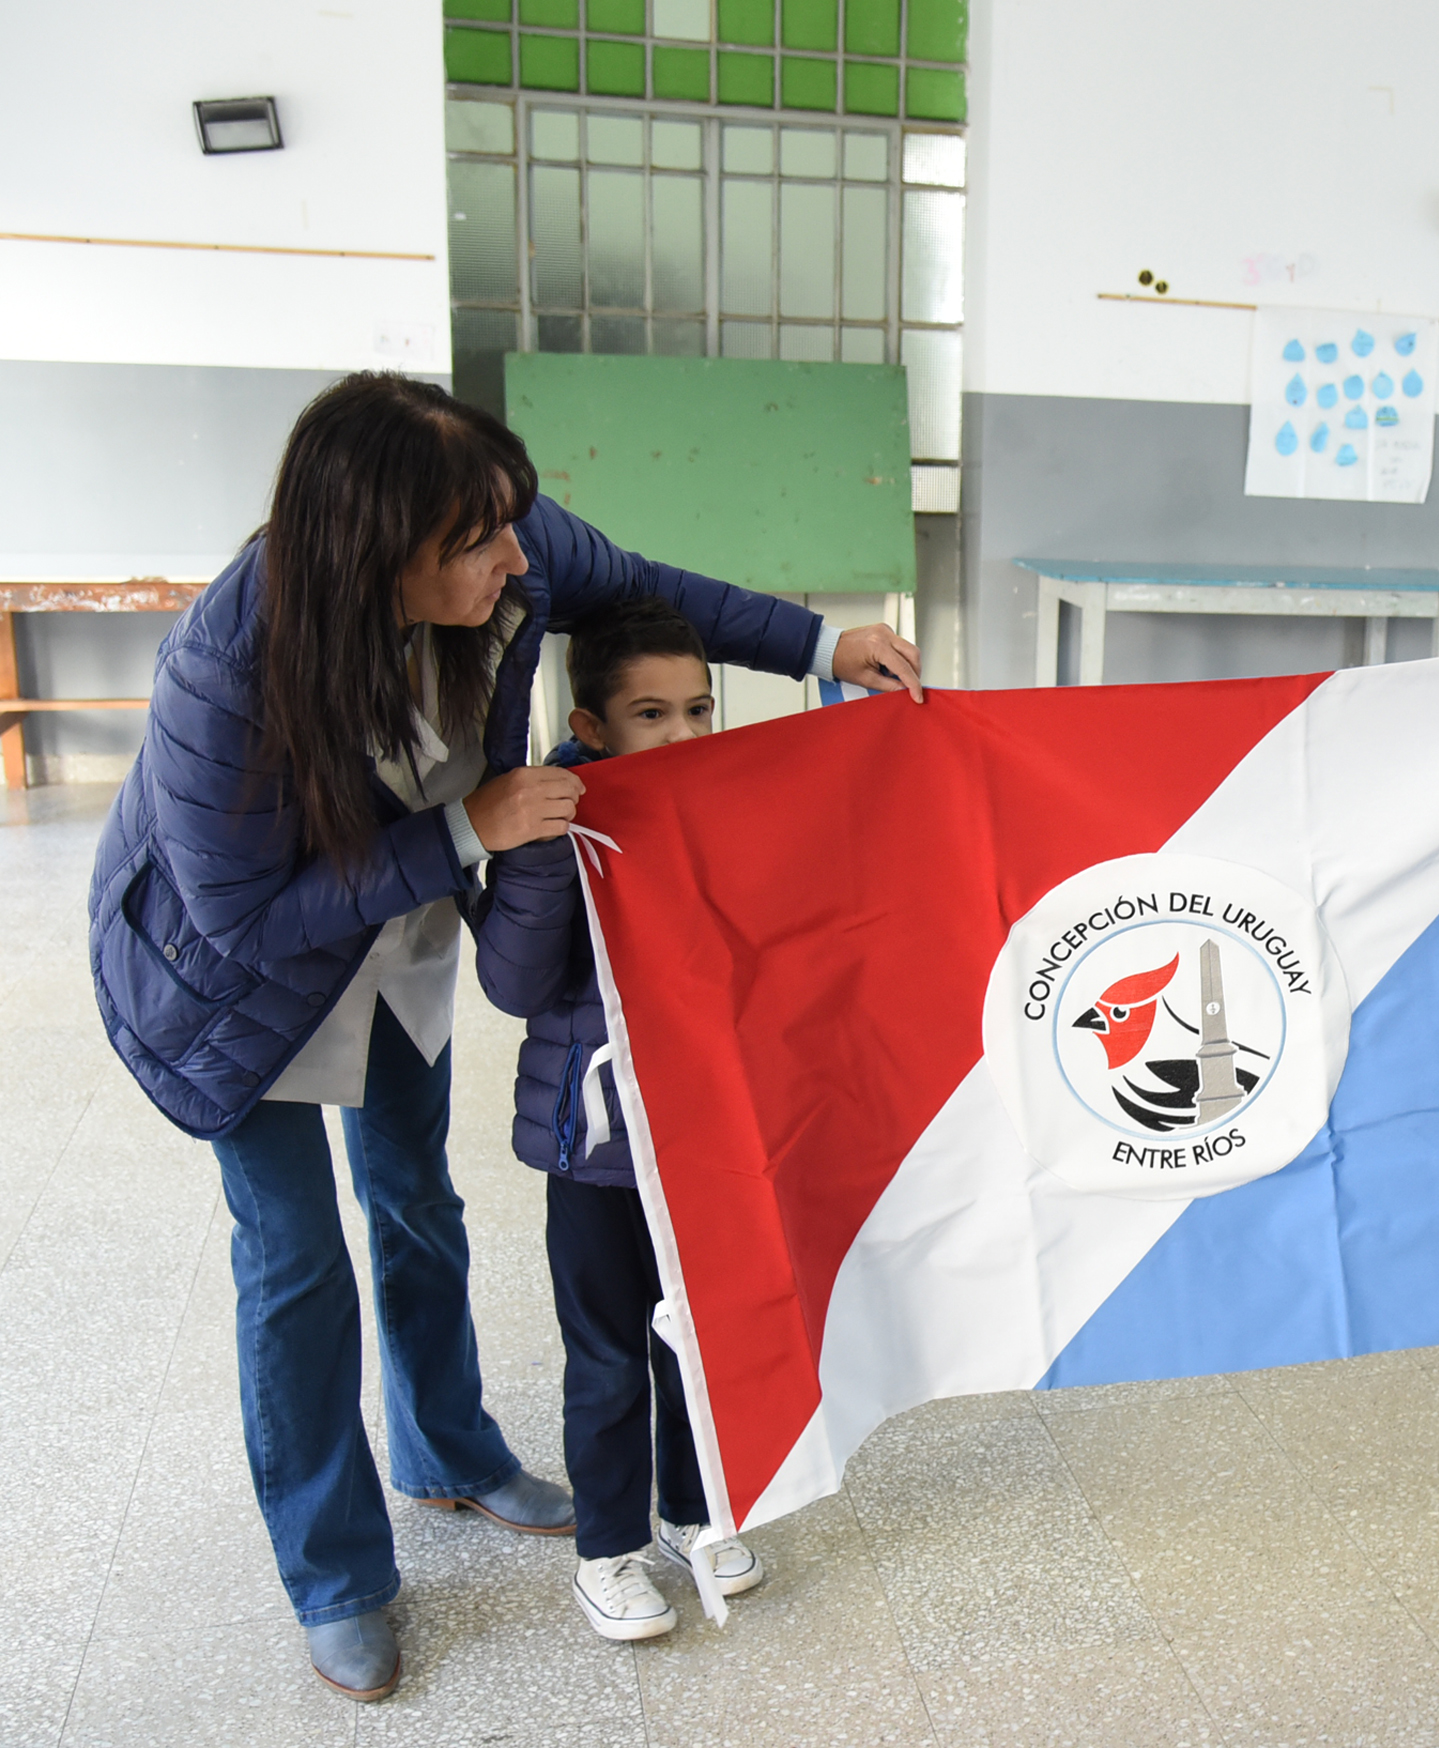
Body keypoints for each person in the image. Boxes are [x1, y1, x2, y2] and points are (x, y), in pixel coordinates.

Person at [87, 373, 922, 1700]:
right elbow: (241, 920)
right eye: (474, 543)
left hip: (390, 938)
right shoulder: (228, 666)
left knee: (416, 1197)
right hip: (232, 995)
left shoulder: (507, 549)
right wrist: (466, 832)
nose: (514, 557)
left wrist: (820, 649)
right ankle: (336, 1571)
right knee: (298, 1264)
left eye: (508, 523)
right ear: (377, 552)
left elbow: (646, 586)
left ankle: (449, 1451)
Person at [471, 597, 760, 1642]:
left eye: (697, 708)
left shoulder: (721, 804)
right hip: (593, 1149)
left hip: (702, 1139)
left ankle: (691, 1511)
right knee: (607, 1351)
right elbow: (511, 984)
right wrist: (547, 857)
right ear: (592, 725)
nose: (681, 734)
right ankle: (607, 1549)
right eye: (650, 713)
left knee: (699, 1337)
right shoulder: (547, 819)